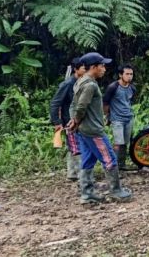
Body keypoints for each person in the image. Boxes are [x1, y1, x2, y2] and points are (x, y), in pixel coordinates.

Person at [67, 52, 132, 204]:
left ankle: (87, 193)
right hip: (93, 131)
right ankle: (116, 191)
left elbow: (74, 104)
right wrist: (75, 120)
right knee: (109, 158)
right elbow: (81, 105)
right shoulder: (90, 85)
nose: (104, 69)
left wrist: (75, 121)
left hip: (84, 130)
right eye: (102, 66)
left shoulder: (80, 81)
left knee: (88, 160)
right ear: (94, 67)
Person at [49, 57, 86, 181]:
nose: (86, 70)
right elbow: (55, 103)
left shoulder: (81, 82)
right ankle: (82, 174)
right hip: (69, 120)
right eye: (83, 68)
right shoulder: (68, 84)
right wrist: (57, 121)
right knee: (77, 147)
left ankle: (72, 173)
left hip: (77, 119)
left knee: (73, 146)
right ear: (76, 69)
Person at [103, 64, 137, 171]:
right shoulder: (113, 87)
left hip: (128, 118)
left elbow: (129, 101)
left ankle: (121, 164)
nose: (129, 76)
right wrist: (107, 116)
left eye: (131, 74)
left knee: (125, 143)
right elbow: (106, 103)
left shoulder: (132, 88)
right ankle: (114, 165)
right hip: (117, 119)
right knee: (118, 142)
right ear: (120, 75)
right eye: (127, 74)